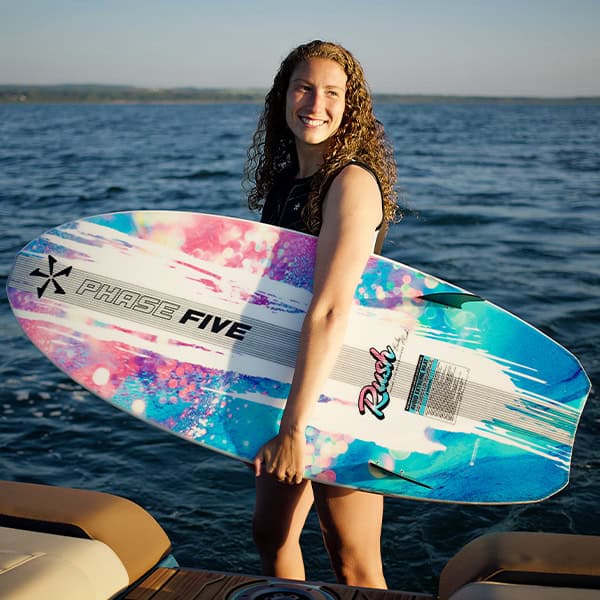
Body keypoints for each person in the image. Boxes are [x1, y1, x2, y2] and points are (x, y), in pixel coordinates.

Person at [244, 40, 398, 589]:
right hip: (294, 378)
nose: (316, 102)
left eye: (332, 92)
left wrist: (292, 428)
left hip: (347, 387)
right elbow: (274, 303)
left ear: (350, 105)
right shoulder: (287, 184)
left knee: (351, 554)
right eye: (304, 87)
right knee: (272, 534)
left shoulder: (350, 184)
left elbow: (332, 308)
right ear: (283, 97)